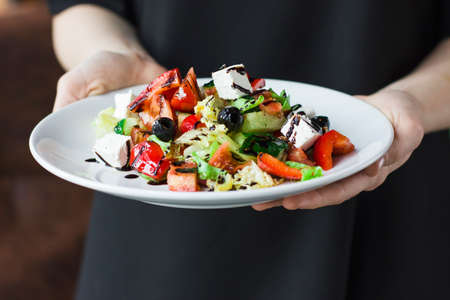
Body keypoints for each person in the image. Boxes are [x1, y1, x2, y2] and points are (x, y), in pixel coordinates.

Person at [48, 1, 450, 299]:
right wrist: (120, 55)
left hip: (388, 201)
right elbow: (78, 7)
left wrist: (411, 99)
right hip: (153, 214)